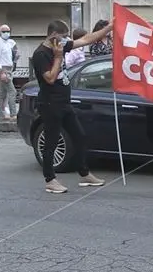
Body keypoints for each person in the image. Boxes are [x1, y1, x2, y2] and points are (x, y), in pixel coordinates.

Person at [31, 19, 113, 194]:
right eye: (63, 37)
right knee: (51, 142)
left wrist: (109, 28)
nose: (65, 40)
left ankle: (84, 174)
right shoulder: (41, 54)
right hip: (50, 104)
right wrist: (59, 57)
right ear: (53, 36)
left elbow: (86, 40)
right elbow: (50, 78)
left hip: (64, 103)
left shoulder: (60, 44)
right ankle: (50, 180)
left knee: (80, 136)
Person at [0, 24, 18, 121]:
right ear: (0, 32)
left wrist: (14, 64)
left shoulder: (9, 42)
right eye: (4, 31)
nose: (6, 33)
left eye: (8, 31)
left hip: (8, 68)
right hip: (2, 69)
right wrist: (0, 72)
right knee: (12, 91)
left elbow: (14, 54)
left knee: (3, 93)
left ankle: (1, 114)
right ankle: (13, 114)